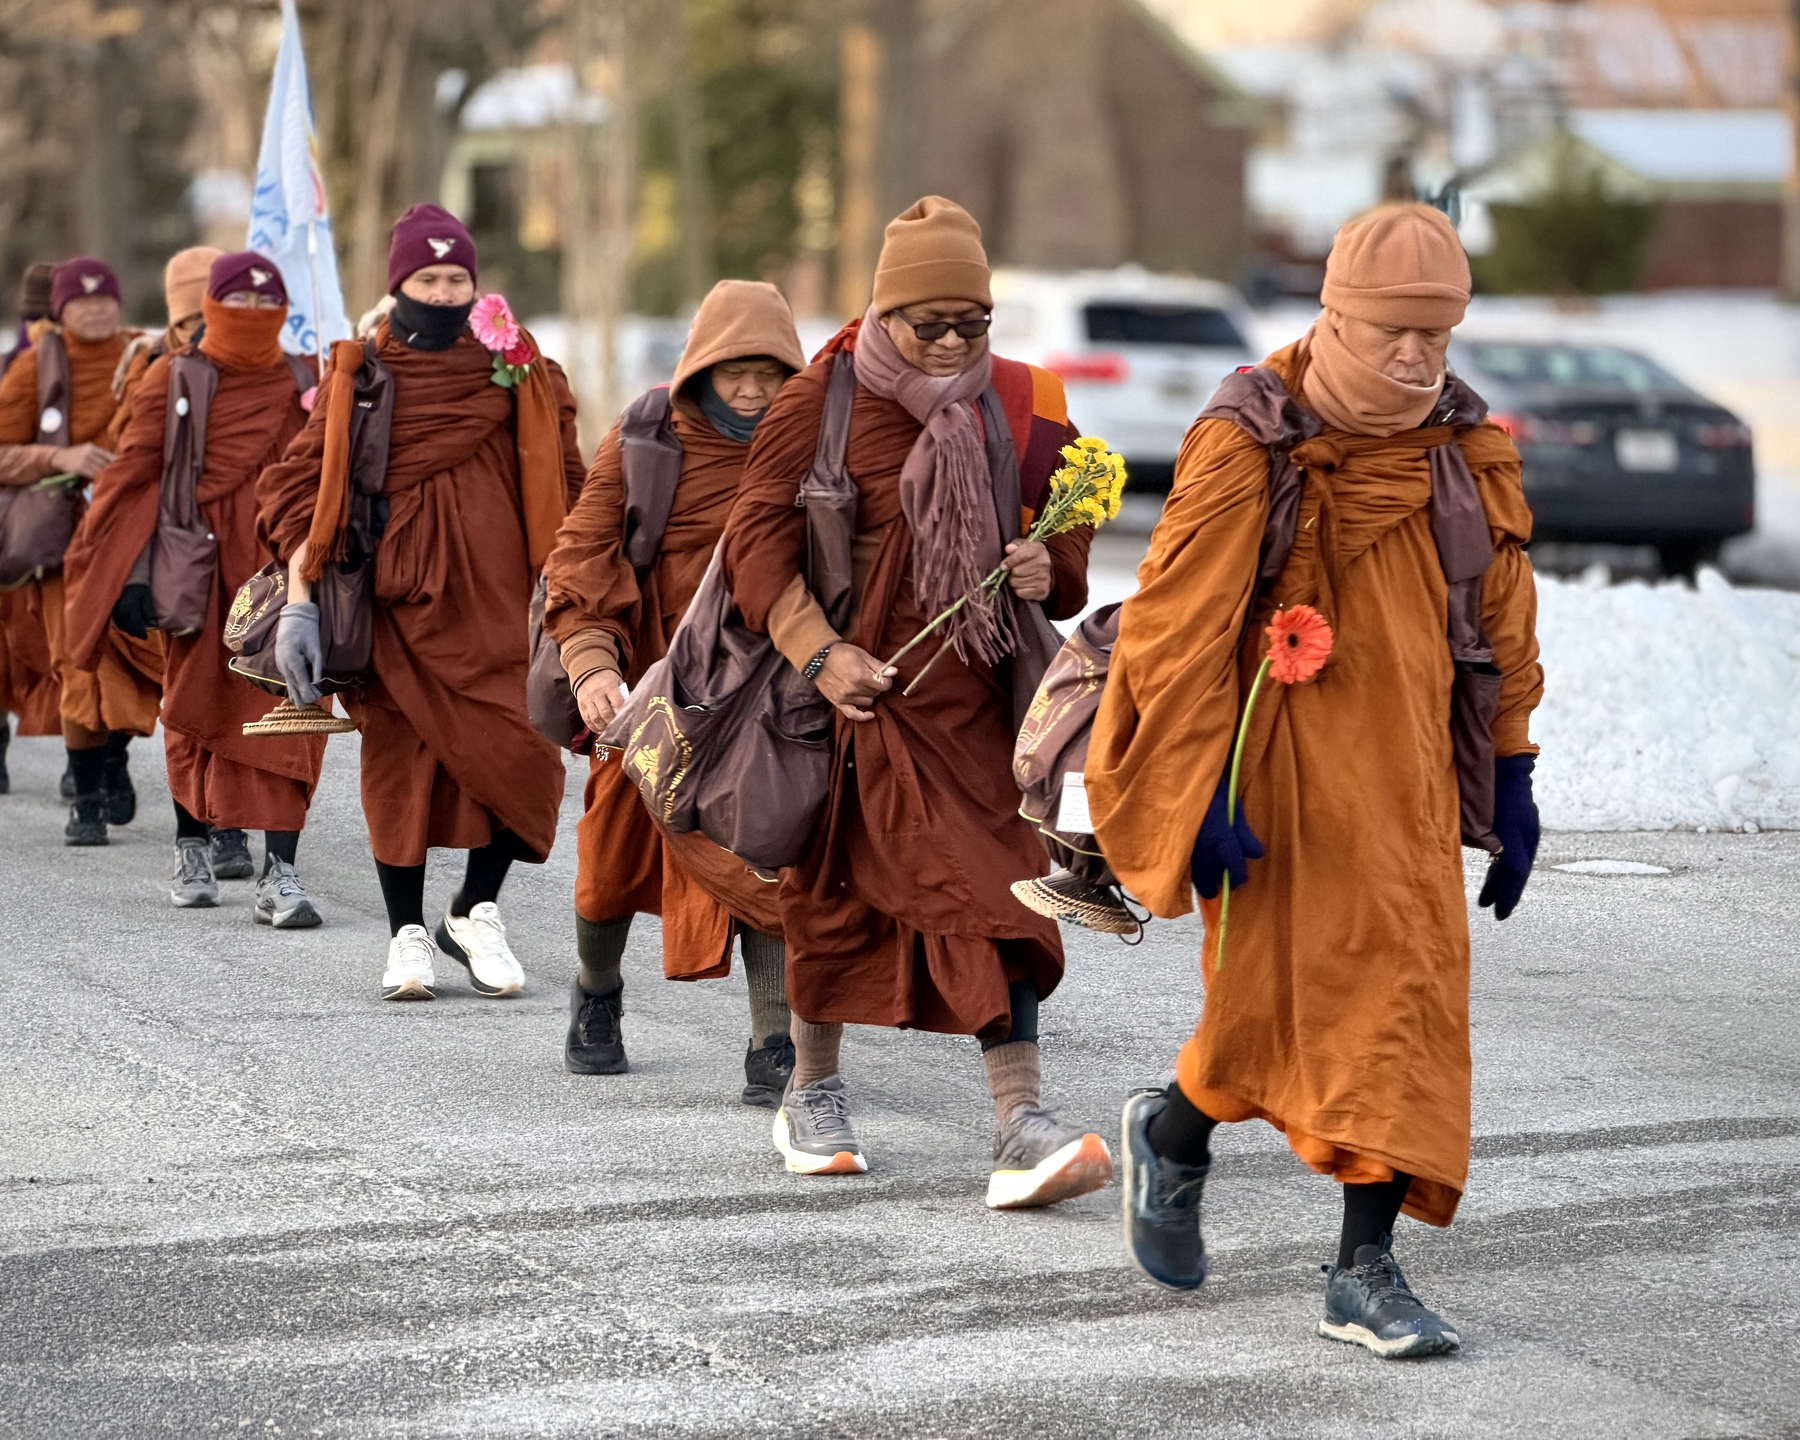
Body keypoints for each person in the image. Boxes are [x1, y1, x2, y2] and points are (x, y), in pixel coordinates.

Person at [1087, 204, 1543, 1358]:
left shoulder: (1463, 451)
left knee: (1406, 1004)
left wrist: (1516, 767)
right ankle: (1177, 1133)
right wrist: (1196, 796)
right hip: (1270, 774)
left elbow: (1501, 620)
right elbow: (1175, 635)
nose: (1414, 358)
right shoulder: (1251, 441)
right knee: (1262, 1021)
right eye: (1393, 331)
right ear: (1337, 315)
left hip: (1409, 785)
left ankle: (1363, 1270)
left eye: (1435, 336)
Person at [718, 197, 1111, 1209]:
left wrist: (1041, 566)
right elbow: (755, 550)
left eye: (969, 323)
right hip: (854, 701)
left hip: (974, 706)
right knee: (834, 900)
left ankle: (1021, 1125)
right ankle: (813, 1091)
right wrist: (819, 655)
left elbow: (1068, 553)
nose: (948, 343)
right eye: (924, 322)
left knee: (1002, 897)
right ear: (881, 312)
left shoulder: (1024, 401)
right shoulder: (821, 400)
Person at [258, 204, 584, 999]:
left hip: (502, 609)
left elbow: (569, 478)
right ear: (398, 283)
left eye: (457, 279)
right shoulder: (360, 375)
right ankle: (406, 934)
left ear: (477, 287)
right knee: (399, 771)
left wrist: (581, 582)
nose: (442, 293)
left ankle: (474, 909)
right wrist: (302, 588)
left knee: (528, 759)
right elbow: (297, 487)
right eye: (427, 278)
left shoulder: (521, 372)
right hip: (394, 611)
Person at [542, 279, 807, 1100]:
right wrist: (591, 667)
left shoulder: (809, 445)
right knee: (608, 861)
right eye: (737, 372)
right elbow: (582, 554)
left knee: (768, 856)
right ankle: (596, 992)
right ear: (702, 367)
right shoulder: (647, 438)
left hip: (768, 688)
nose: (754, 391)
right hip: (652, 692)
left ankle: (774, 1042)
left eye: (771, 374)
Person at [63, 251, 326, 922]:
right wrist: (114, 569)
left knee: (293, 712)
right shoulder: (175, 377)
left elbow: (336, 475)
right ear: (211, 310)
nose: (252, 317)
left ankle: (282, 872)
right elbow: (130, 475)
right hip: (200, 573)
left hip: (287, 573)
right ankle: (191, 845)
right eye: (237, 304)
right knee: (195, 706)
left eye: (267, 306)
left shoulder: (308, 378)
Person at [0, 257, 146, 841]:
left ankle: (115, 757)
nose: (95, 308)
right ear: (59, 311)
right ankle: (87, 795)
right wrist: (58, 457)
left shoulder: (142, 357)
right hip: (64, 544)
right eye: (81, 301)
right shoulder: (36, 367)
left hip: (133, 537)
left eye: (105, 298)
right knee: (78, 663)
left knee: (139, 661)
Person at [0, 262, 56, 793]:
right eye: (34, 317)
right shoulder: (9, 372)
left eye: (49, 317)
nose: (42, 329)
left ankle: (89, 759)